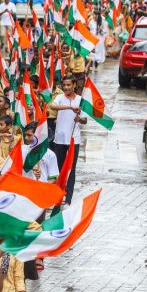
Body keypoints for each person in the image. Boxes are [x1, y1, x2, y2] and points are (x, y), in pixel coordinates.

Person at [51, 75, 87, 205]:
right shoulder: (59, 98)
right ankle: (58, 196)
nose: (66, 88)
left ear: (74, 85)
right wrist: (70, 108)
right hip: (60, 139)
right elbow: (53, 106)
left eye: (69, 85)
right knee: (59, 169)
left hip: (74, 140)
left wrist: (79, 119)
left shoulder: (81, 100)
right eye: (64, 85)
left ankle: (68, 199)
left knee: (71, 169)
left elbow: (85, 120)